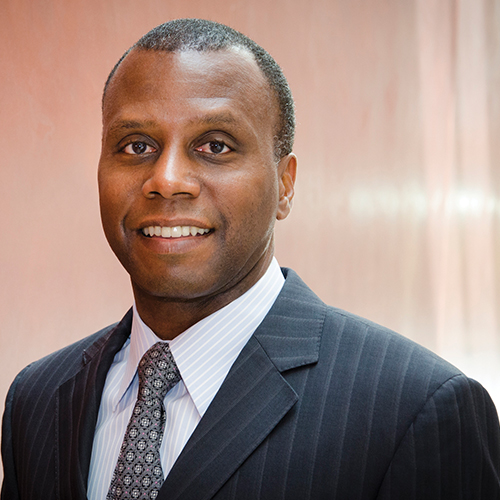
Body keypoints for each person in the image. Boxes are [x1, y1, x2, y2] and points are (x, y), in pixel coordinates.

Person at [1, 18, 499, 500]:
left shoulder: (415, 410)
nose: (167, 179)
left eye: (215, 146)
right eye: (136, 146)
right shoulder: (36, 400)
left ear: (285, 184)